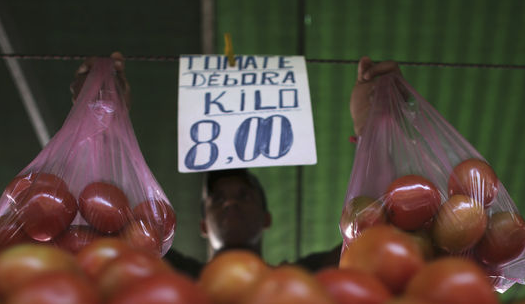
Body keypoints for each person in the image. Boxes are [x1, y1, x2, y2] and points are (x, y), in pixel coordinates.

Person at [71, 53, 402, 278]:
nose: (230, 201)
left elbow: (375, 237)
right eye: (217, 198)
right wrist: (102, 119)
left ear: (268, 218)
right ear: (202, 225)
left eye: (244, 196)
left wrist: (371, 126)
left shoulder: (307, 275)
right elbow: (110, 223)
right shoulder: (169, 272)